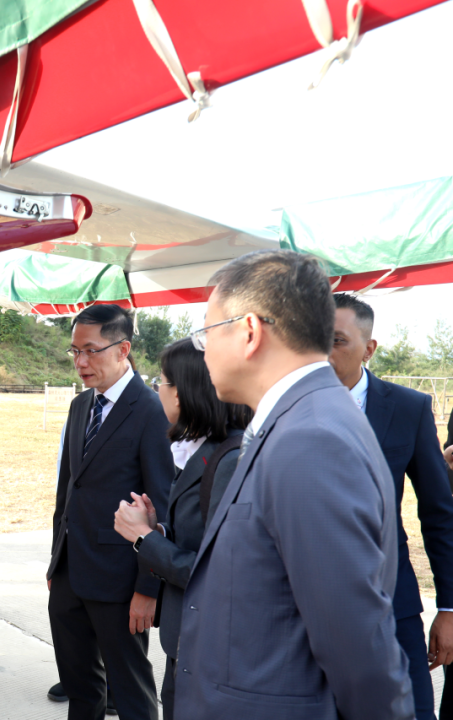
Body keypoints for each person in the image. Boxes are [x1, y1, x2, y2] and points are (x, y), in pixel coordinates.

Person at [174, 249, 413, 719]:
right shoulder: (300, 418)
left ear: (249, 331)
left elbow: (358, 644)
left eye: (207, 333)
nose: (204, 351)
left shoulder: (311, 439)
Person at [328, 293, 453, 719]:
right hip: (308, 609)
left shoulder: (408, 408)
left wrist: (448, 608)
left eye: (336, 340)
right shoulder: (284, 408)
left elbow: (438, 513)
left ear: (369, 348)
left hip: (392, 603)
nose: (323, 352)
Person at [47, 303, 174, 720]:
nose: (80, 362)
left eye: (91, 350)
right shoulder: (81, 406)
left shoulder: (151, 410)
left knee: (132, 691)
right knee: (81, 689)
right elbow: (68, 491)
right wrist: (56, 563)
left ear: (123, 350)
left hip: (120, 581)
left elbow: (161, 508)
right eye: (75, 351)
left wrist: (148, 588)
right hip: (70, 574)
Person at [112, 339, 251, 720]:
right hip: (188, 637)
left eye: (163, 380)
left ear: (183, 391)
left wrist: (144, 538)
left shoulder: (229, 460)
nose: (158, 388)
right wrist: (156, 528)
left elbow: (217, 572)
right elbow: (198, 536)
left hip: (208, 643)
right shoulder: (204, 449)